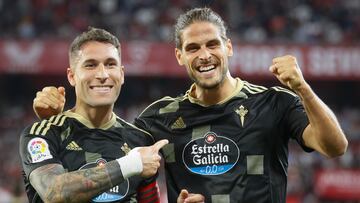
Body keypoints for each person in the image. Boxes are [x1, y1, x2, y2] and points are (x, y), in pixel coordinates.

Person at [32, 8, 348, 203]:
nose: (204, 55)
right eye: (193, 47)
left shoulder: (274, 102)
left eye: (212, 44)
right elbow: (103, 157)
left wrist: (302, 87)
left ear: (229, 47)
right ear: (180, 56)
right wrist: (58, 121)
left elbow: (334, 147)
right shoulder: (158, 119)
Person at [20, 27, 170, 203]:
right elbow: (55, 192)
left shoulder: (139, 140)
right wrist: (131, 164)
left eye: (110, 64)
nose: (102, 74)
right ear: (71, 76)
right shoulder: (43, 133)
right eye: (90, 65)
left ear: (121, 75)